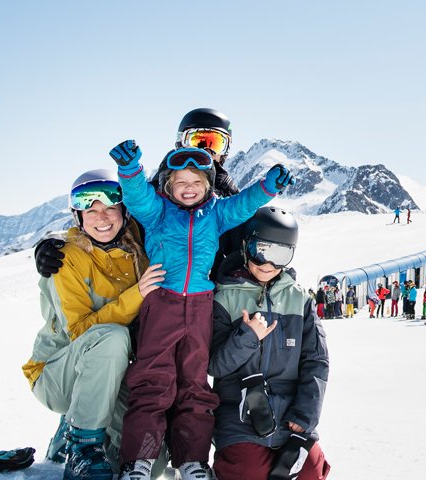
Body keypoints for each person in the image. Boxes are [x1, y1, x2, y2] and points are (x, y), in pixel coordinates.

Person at [110, 141, 290, 480]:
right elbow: (136, 197)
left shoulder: (216, 214)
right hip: (161, 304)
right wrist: (131, 170)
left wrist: (268, 187)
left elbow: (243, 205)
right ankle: (138, 462)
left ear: (208, 186)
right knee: (154, 380)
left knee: (194, 384)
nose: (188, 189)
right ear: (167, 186)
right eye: (180, 183)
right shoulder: (158, 212)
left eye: (196, 182)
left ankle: (193, 461)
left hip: (200, 307)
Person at [23, 170, 161, 480]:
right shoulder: (66, 258)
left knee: (153, 462)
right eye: (91, 209)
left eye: (110, 207)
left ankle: (76, 433)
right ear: (78, 216)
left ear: (124, 211)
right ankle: (82, 446)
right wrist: (137, 295)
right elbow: (81, 332)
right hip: (58, 374)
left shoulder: (136, 247)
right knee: (111, 337)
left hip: (112, 375)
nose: (102, 217)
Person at [35, 108, 241, 279]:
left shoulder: (231, 197)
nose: (205, 150)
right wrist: (50, 246)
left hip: (206, 293)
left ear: (225, 150)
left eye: (215, 142)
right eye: (197, 140)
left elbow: (250, 242)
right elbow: (107, 221)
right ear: (181, 143)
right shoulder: (153, 191)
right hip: (148, 287)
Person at [209, 207, 331, 480]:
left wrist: (304, 419)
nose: (267, 263)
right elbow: (215, 365)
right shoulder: (224, 298)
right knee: (249, 471)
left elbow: (316, 362)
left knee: (309, 469)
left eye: (280, 255)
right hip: (239, 414)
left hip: (291, 415)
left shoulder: (300, 300)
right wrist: (246, 337)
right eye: (260, 250)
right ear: (245, 246)